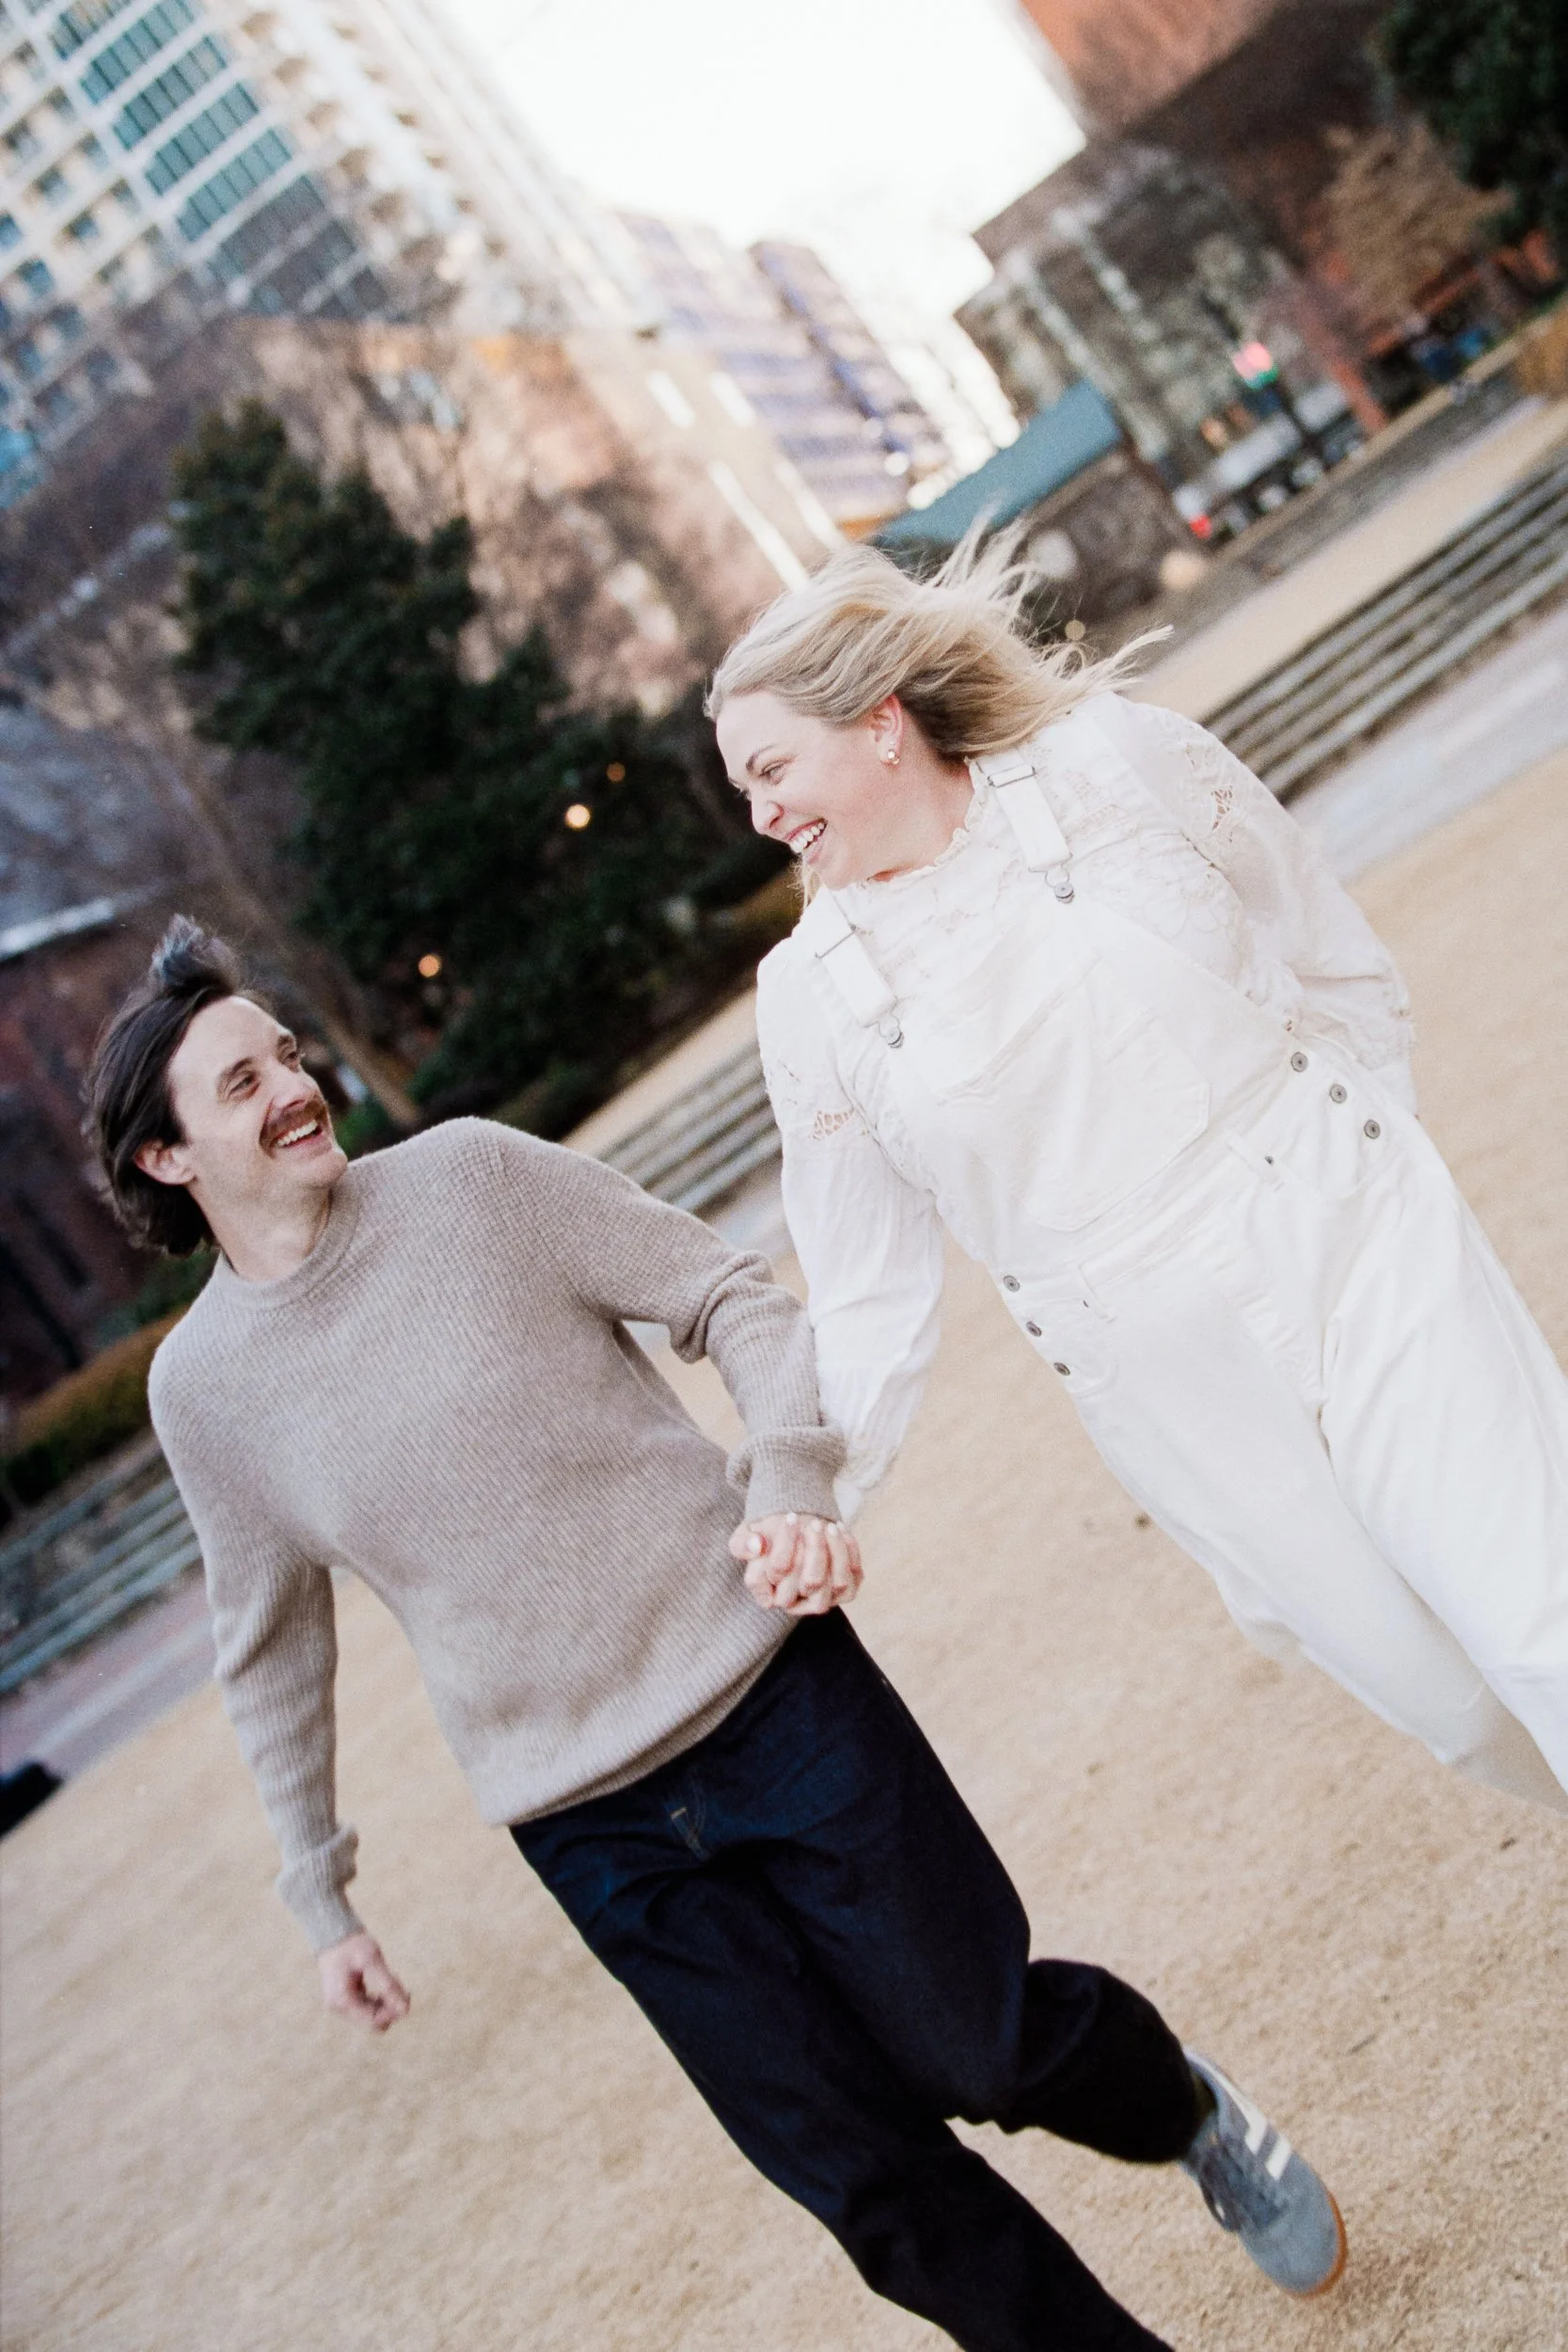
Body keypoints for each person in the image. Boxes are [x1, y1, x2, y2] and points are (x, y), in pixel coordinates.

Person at [87, 919, 1344, 2352]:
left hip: (769, 1696)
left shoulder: (473, 1178)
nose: (291, 1087)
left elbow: (727, 1293)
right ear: (167, 1161)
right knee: (864, 2178)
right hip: (587, 1824)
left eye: (287, 1055)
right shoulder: (205, 1392)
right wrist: (321, 1895)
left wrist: (789, 1480)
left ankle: (1178, 2106)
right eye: (240, 1084)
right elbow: (267, 1644)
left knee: (977, 2041)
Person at [710, 537, 1568, 1816]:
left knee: (1533, 1617)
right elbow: (865, 1291)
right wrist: (817, 1493)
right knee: (1453, 1704)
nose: (761, 817)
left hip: (1345, 1236)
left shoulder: (1112, 759)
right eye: (741, 791)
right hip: (1160, 1375)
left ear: (879, 723)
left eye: (772, 769)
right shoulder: (809, 998)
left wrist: (1350, 1156)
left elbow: (1317, 939)